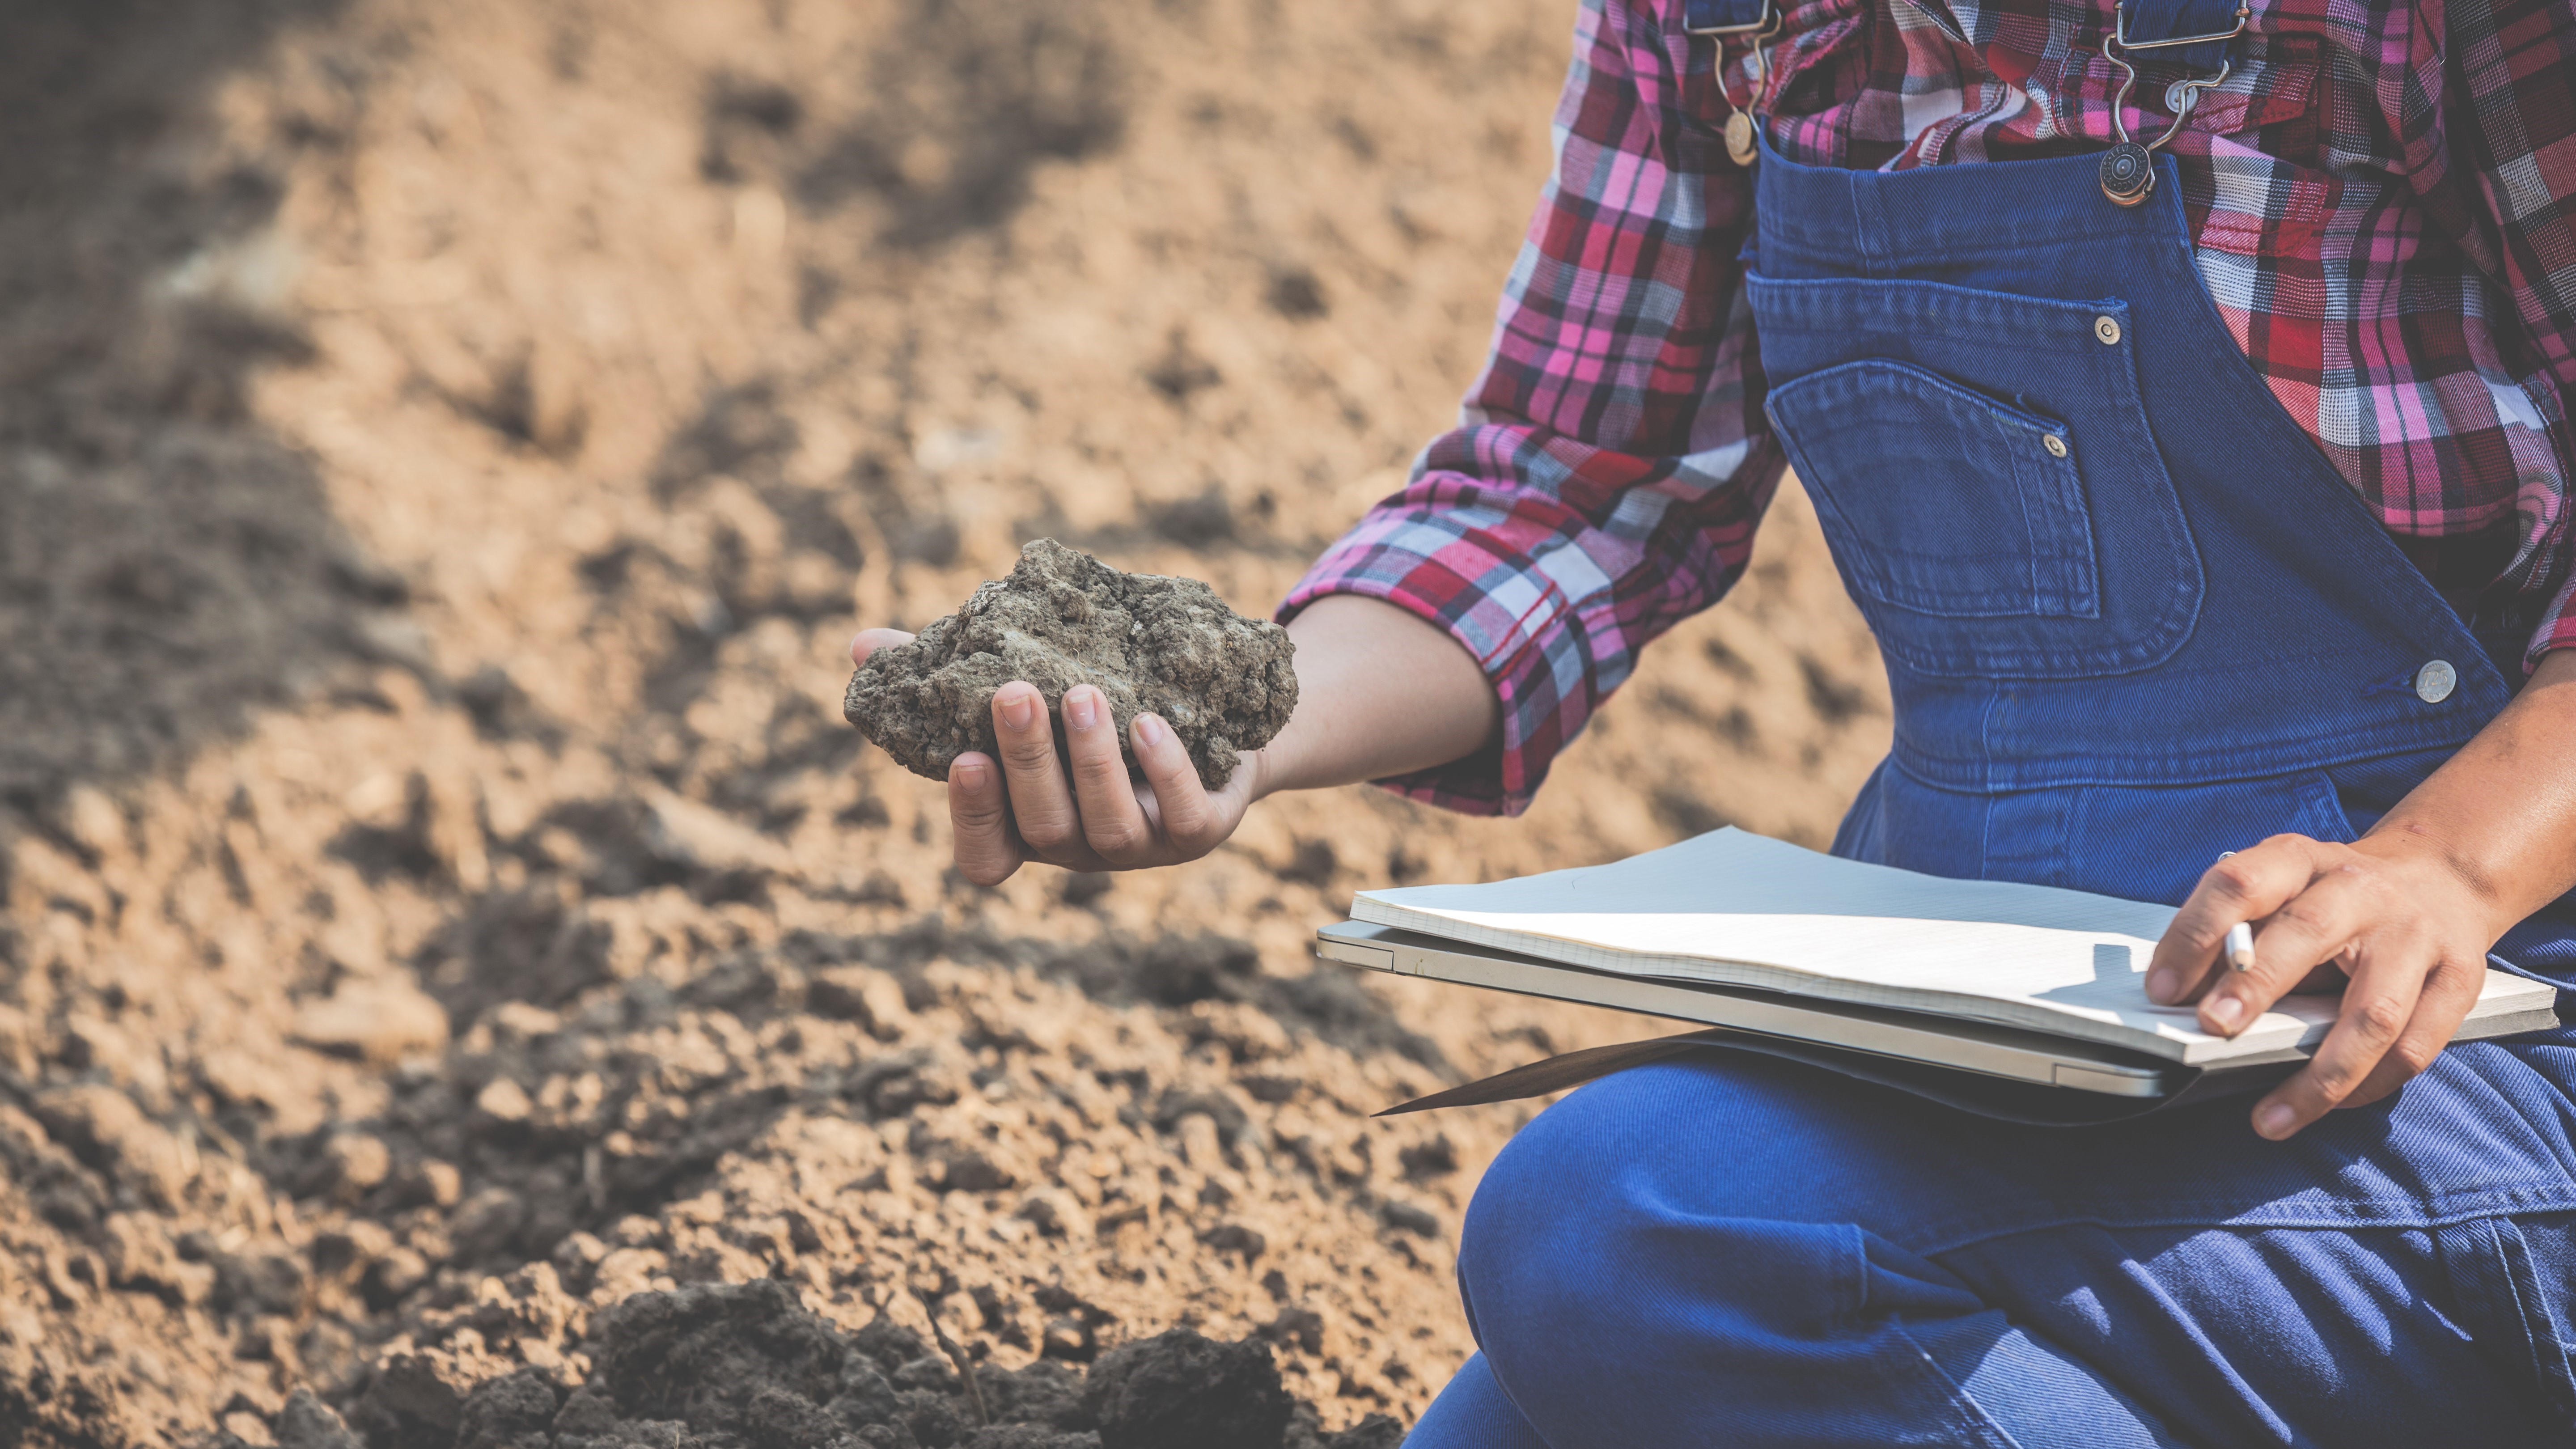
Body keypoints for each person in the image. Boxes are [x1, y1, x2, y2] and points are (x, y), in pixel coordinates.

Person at [852, 0, 2576, 1436]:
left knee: (1631, 1230)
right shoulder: (1726, 25)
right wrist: (1241, 724)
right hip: (2016, 1002)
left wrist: (2442, 866)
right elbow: (1573, 483)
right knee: (1571, 1374)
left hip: (2445, 1051)